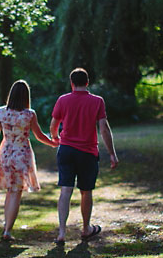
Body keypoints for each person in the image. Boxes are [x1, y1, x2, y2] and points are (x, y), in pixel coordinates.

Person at [0, 80, 59, 241]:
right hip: (21, 155)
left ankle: (6, 226)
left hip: (5, 154)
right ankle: (8, 231)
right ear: (26, 96)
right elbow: (39, 135)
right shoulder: (29, 114)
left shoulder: (1, 112)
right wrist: (53, 142)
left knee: (10, 191)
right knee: (16, 192)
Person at [49, 68, 119, 243]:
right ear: (87, 82)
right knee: (86, 191)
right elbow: (104, 128)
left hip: (66, 150)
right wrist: (112, 154)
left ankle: (62, 233)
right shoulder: (97, 101)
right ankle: (86, 228)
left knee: (66, 190)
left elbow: (54, 124)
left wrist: (56, 137)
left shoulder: (63, 100)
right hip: (87, 152)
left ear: (72, 83)